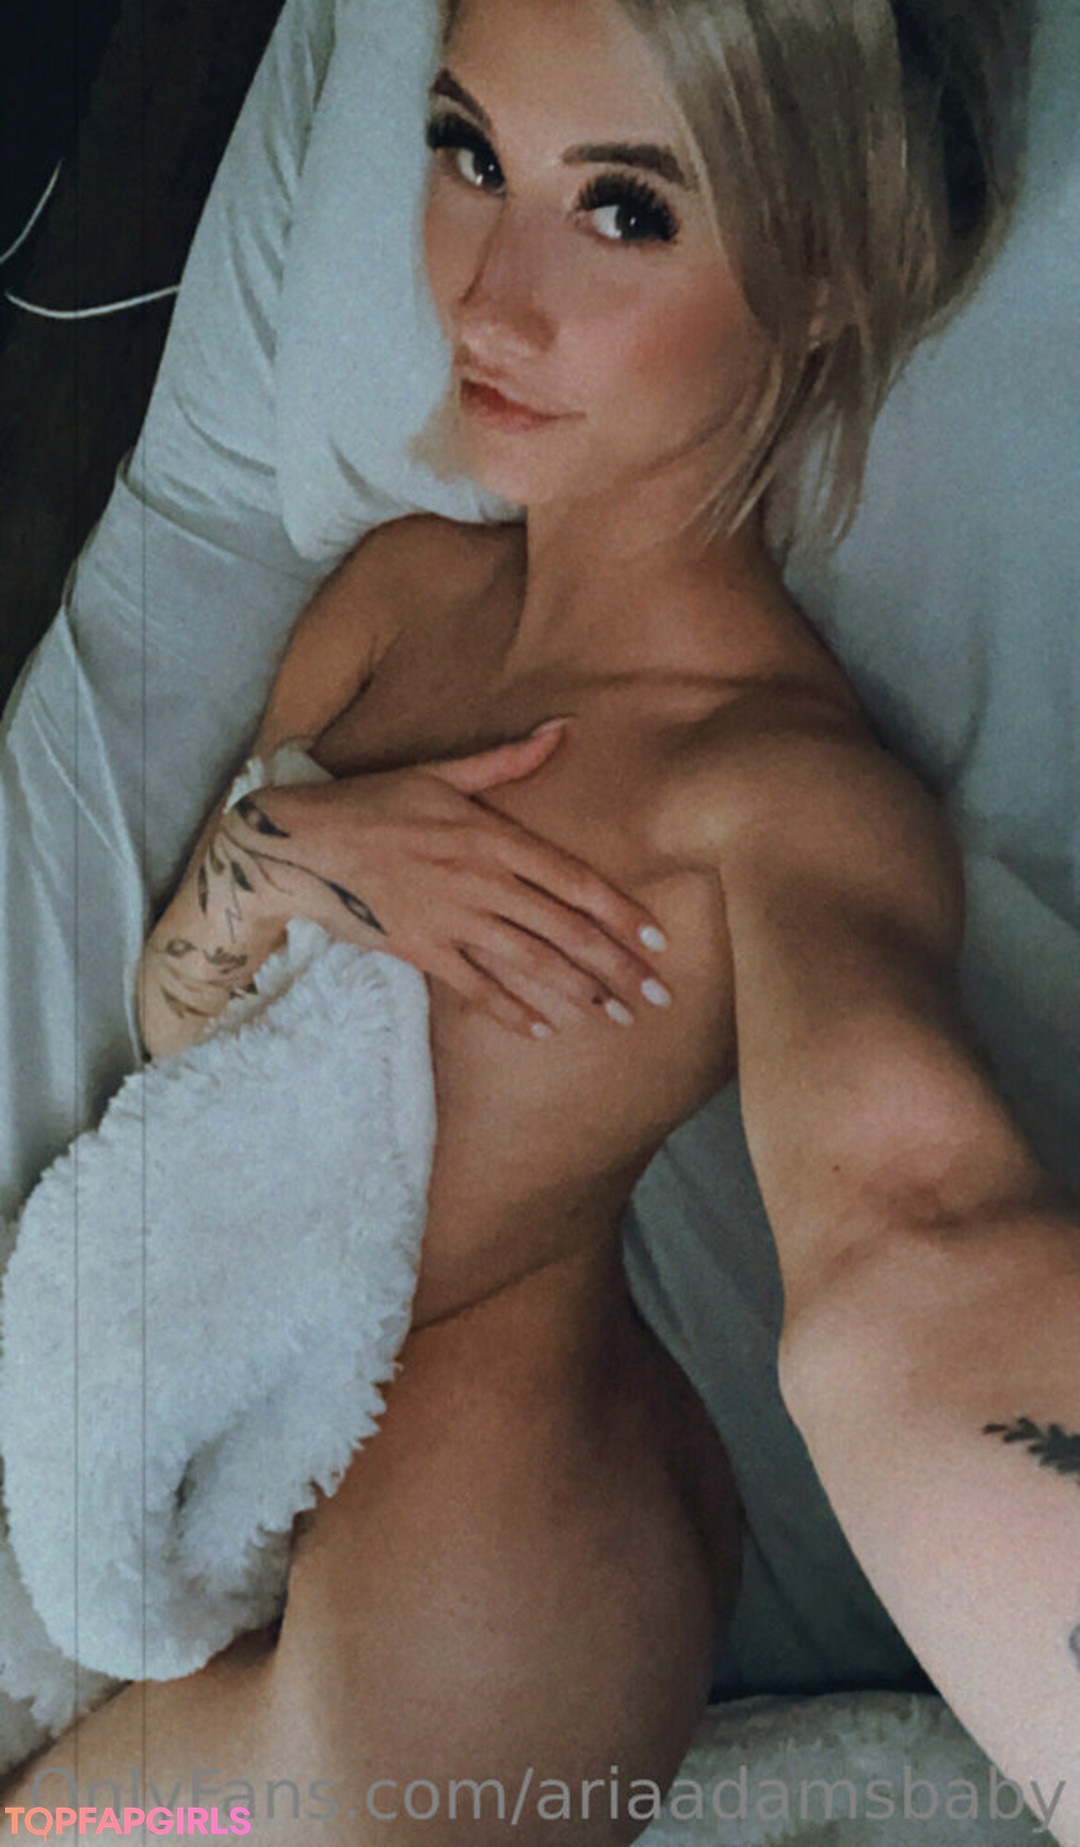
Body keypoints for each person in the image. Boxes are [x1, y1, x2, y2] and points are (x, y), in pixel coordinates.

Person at [9, 0, 1076, 1843]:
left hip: (500, 1562)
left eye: (625, 210)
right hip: (213, 1420)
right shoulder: (394, 598)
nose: (490, 299)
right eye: (470, 152)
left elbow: (915, 1226)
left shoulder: (782, 793)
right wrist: (283, 856)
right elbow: (191, 1034)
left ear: (824, 278)